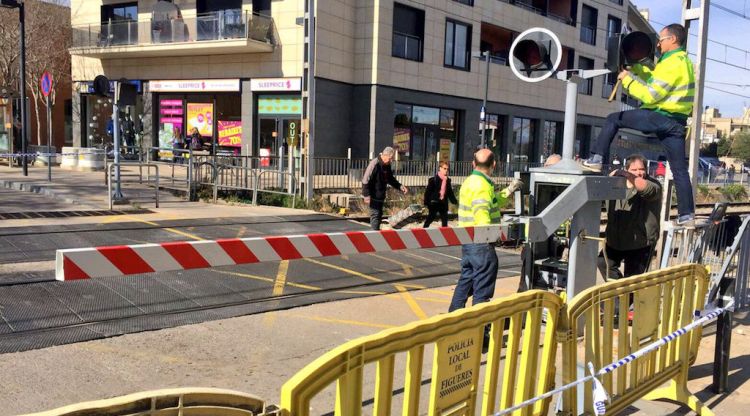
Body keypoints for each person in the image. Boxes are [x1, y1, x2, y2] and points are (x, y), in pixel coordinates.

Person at [582, 23, 695, 226]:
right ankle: (687, 214)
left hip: (661, 117)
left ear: (673, 40)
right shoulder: (682, 61)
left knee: (613, 119)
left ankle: (596, 158)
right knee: (679, 171)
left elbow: (651, 95)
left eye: (661, 40)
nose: (658, 44)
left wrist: (627, 81)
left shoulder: (672, 63)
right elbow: (654, 80)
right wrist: (636, 69)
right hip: (677, 124)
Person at [450, 148, 522, 313]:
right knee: (482, 291)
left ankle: (452, 321)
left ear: (473, 164)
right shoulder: (482, 185)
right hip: (481, 244)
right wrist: (493, 235)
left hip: (468, 242)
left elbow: (493, 202)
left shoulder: (470, 182)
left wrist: (509, 190)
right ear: (494, 164)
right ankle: (481, 331)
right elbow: (482, 214)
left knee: (465, 282)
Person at [598, 154, 662, 281]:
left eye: (642, 169)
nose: (639, 173)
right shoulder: (616, 184)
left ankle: (625, 298)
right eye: (634, 170)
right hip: (615, 240)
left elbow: (648, 190)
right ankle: (619, 293)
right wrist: (608, 179)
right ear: (627, 169)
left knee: (632, 281)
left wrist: (628, 175)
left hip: (640, 243)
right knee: (602, 263)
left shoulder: (654, 184)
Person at [362, 147, 408, 230]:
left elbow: (390, 179)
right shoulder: (374, 164)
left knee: (379, 215)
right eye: (390, 159)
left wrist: (400, 186)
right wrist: (366, 195)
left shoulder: (387, 165)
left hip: (380, 195)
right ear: (385, 155)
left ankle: (376, 234)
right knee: (375, 215)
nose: (391, 161)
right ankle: (374, 236)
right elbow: (365, 180)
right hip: (373, 195)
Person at [423, 161, 458, 228]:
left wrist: (454, 201)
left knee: (445, 220)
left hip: (443, 203)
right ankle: (424, 230)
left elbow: (449, 192)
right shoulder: (433, 180)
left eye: (447, 169)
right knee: (431, 217)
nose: (446, 170)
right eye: (444, 168)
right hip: (435, 202)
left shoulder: (447, 180)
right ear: (440, 168)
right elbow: (428, 192)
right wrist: (426, 202)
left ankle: (444, 234)